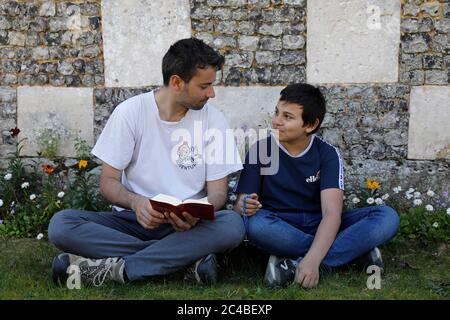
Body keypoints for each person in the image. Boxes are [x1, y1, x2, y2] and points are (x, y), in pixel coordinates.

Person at [48, 38, 245, 287]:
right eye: (204, 86)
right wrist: (136, 202)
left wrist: (197, 212)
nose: (211, 93)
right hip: (132, 222)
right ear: (176, 82)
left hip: (187, 227)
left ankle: (117, 269)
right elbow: (108, 182)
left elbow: (218, 192)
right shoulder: (130, 112)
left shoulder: (214, 120)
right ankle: (182, 262)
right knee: (61, 225)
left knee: (232, 225)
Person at [234, 83, 399, 289]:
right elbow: (241, 204)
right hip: (278, 225)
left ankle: (294, 264)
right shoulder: (261, 149)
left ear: (310, 125)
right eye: (277, 112)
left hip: (319, 222)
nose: (276, 121)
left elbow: (331, 214)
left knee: (386, 217)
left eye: (288, 117)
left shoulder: (327, 154)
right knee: (255, 224)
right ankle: (350, 251)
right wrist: (245, 205)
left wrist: (312, 261)